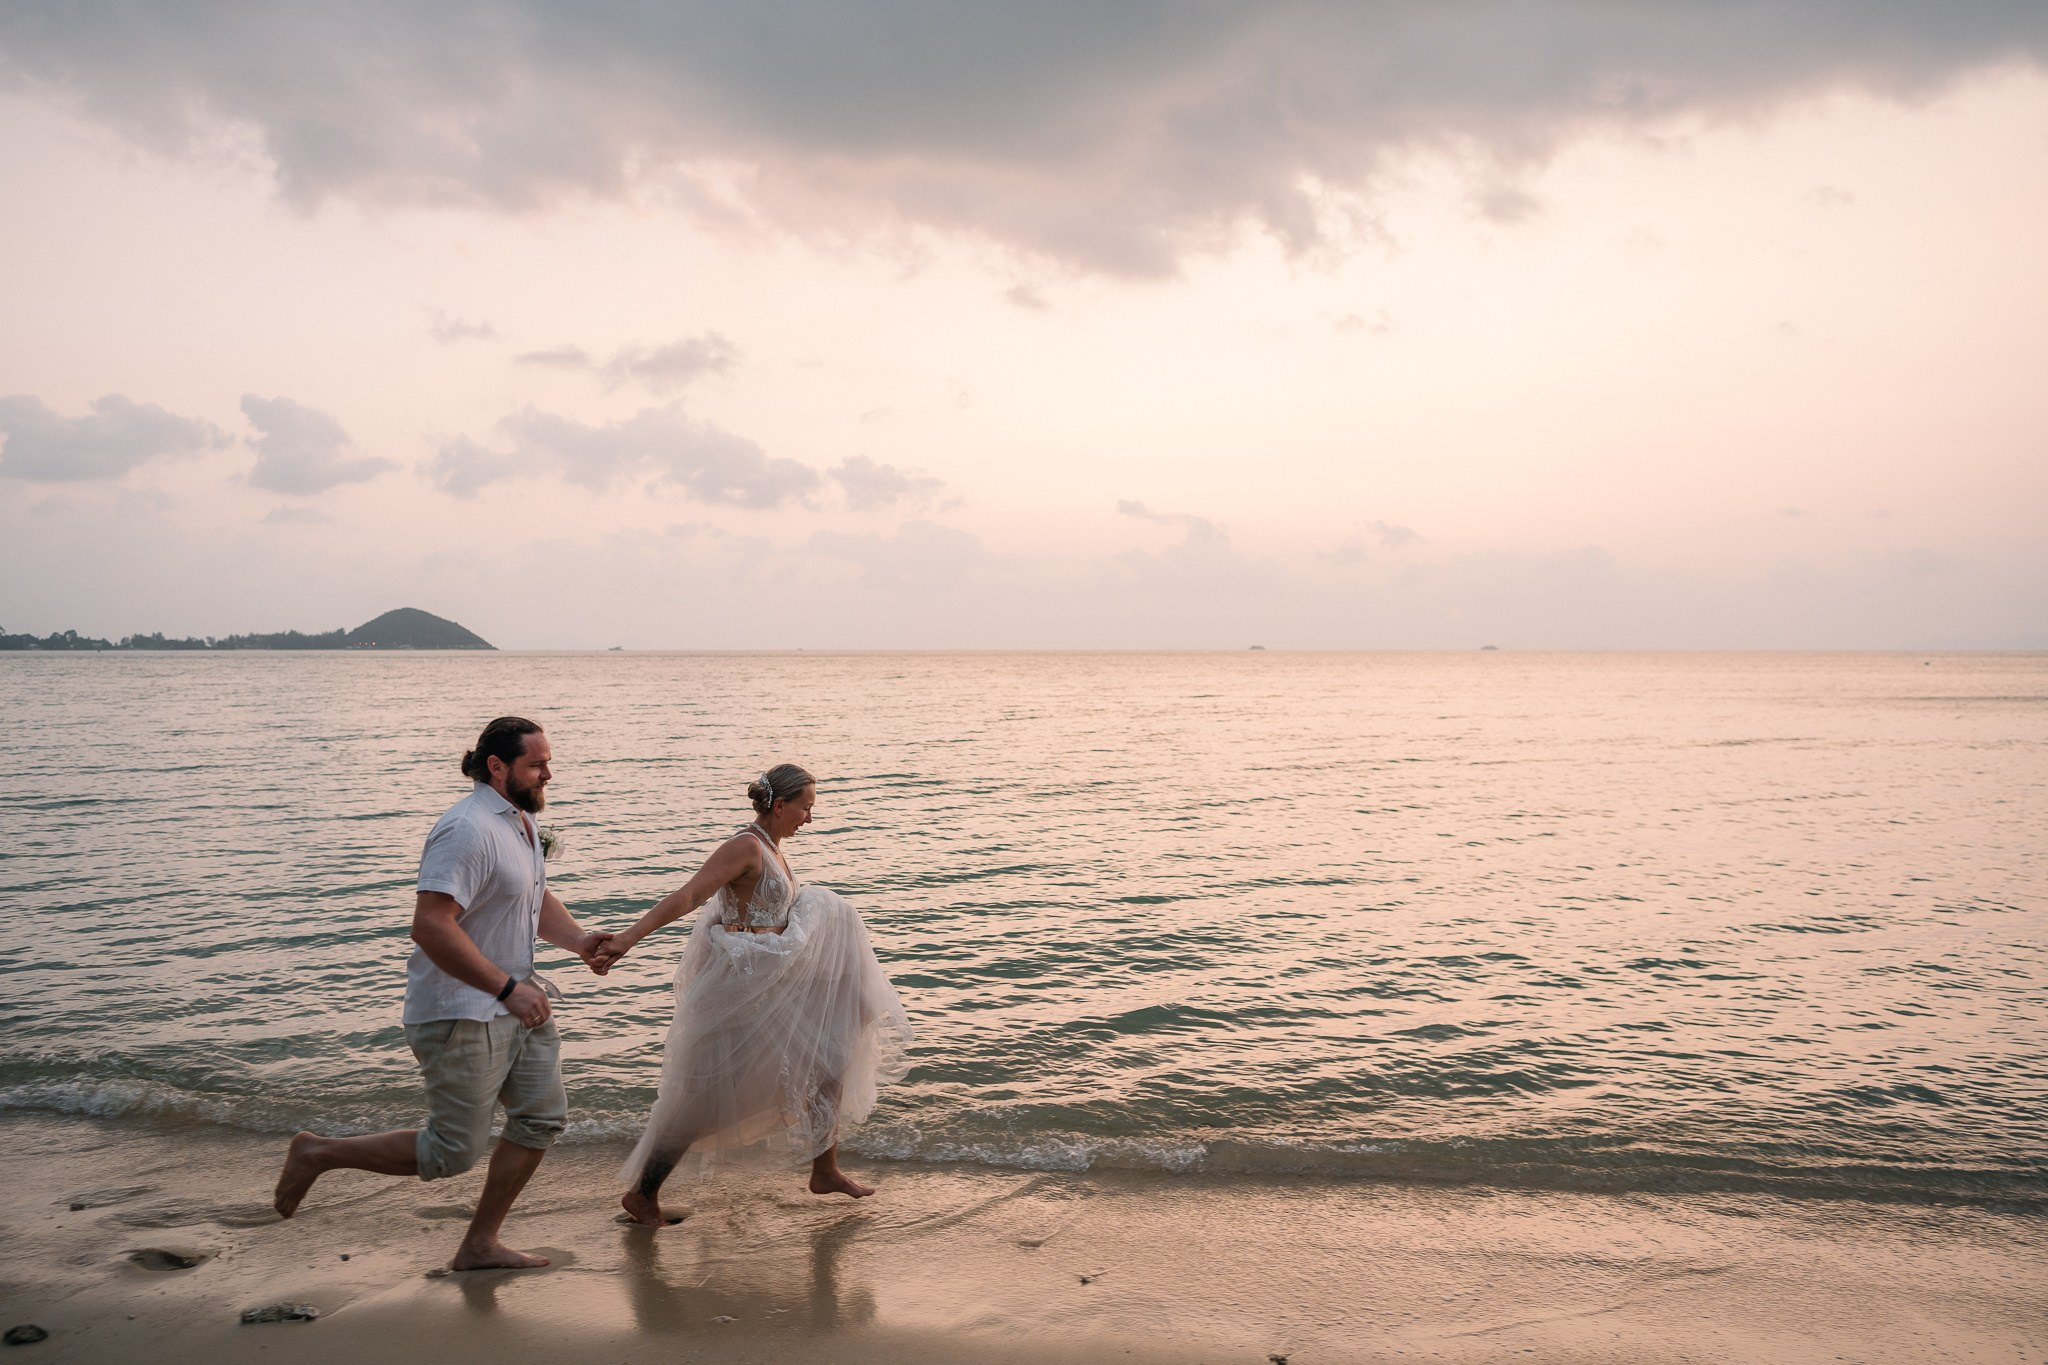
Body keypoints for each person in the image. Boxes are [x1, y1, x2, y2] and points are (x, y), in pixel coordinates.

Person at [271, 716, 613, 1270]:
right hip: (463, 1011)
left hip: (516, 1002)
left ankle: (479, 1244)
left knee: (541, 1119)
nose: (548, 774)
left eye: (548, 762)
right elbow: (431, 926)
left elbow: (530, 895)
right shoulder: (466, 828)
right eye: (536, 764)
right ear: (497, 767)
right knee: (452, 1153)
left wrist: (578, 941)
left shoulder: (519, 822)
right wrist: (506, 988)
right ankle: (317, 1152)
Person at [599, 763, 913, 1228]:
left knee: (828, 1058)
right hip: (740, 988)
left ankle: (825, 1171)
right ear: (780, 804)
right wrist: (628, 938)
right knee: (704, 1096)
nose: (810, 817)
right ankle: (644, 1194)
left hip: (772, 982)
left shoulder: (775, 851)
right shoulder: (744, 847)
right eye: (806, 807)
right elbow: (687, 898)